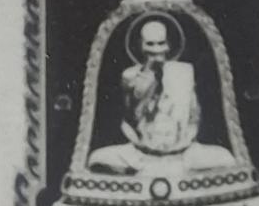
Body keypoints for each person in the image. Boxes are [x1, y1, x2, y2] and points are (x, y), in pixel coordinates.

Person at [88, 19, 236, 175]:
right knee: (97, 158)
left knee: (226, 159)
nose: (156, 50)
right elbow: (131, 115)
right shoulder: (131, 76)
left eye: (161, 43)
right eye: (150, 44)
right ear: (140, 46)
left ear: (168, 46)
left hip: (183, 154)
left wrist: (184, 137)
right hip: (140, 155)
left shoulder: (184, 72)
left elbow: (194, 115)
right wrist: (145, 83)